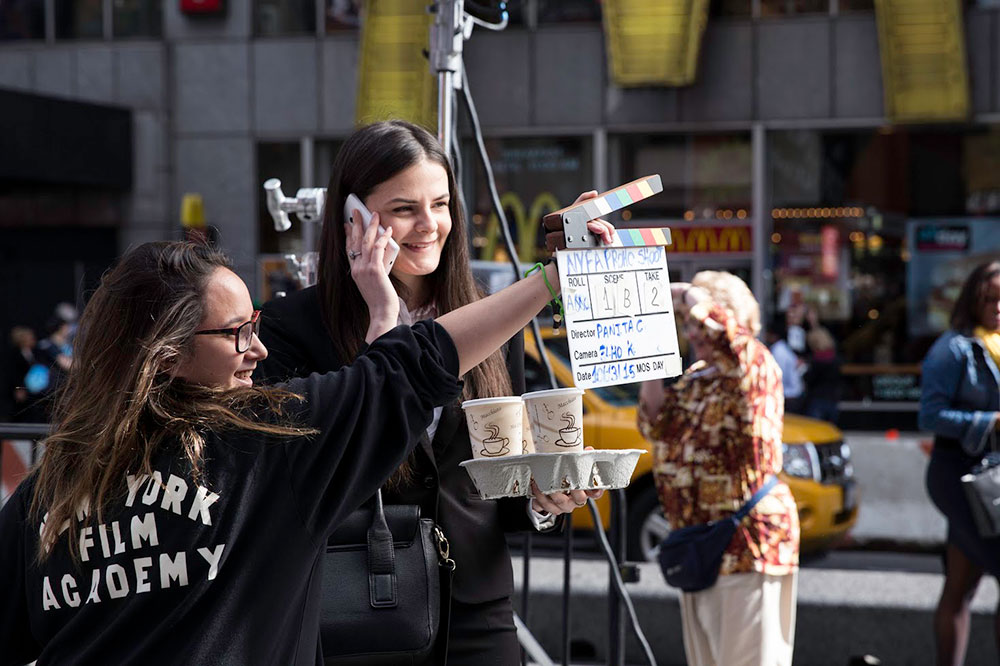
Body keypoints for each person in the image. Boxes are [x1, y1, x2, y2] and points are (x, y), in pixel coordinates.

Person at [0, 238, 573, 665]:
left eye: (256, 324)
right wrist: (549, 280)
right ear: (165, 354)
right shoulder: (269, 443)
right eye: (237, 333)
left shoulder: (51, 485)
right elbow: (423, 362)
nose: (259, 348)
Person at [255, 119, 609, 664]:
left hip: (478, 608)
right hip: (359, 605)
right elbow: (311, 472)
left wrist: (543, 500)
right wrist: (382, 323)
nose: (429, 225)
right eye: (404, 209)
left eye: (440, 205)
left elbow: (489, 480)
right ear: (355, 217)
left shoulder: (488, 316)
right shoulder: (290, 327)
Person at [637, 271, 799, 666]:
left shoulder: (754, 363)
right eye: (688, 325)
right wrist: (650, 349)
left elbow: (730, 341)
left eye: (698, 323)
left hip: (746, 543)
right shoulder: (696, 377)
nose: (693, 332)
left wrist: (689, 294)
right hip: (700, 543)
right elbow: (653, 422)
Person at [919, 259, 1000, 666]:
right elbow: (929, 417)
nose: (999, 307)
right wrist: (990, 422)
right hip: (962, 475)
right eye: (991, 299)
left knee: (960, 585)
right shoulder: (952, 349)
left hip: (992, 480)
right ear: (974, 300)